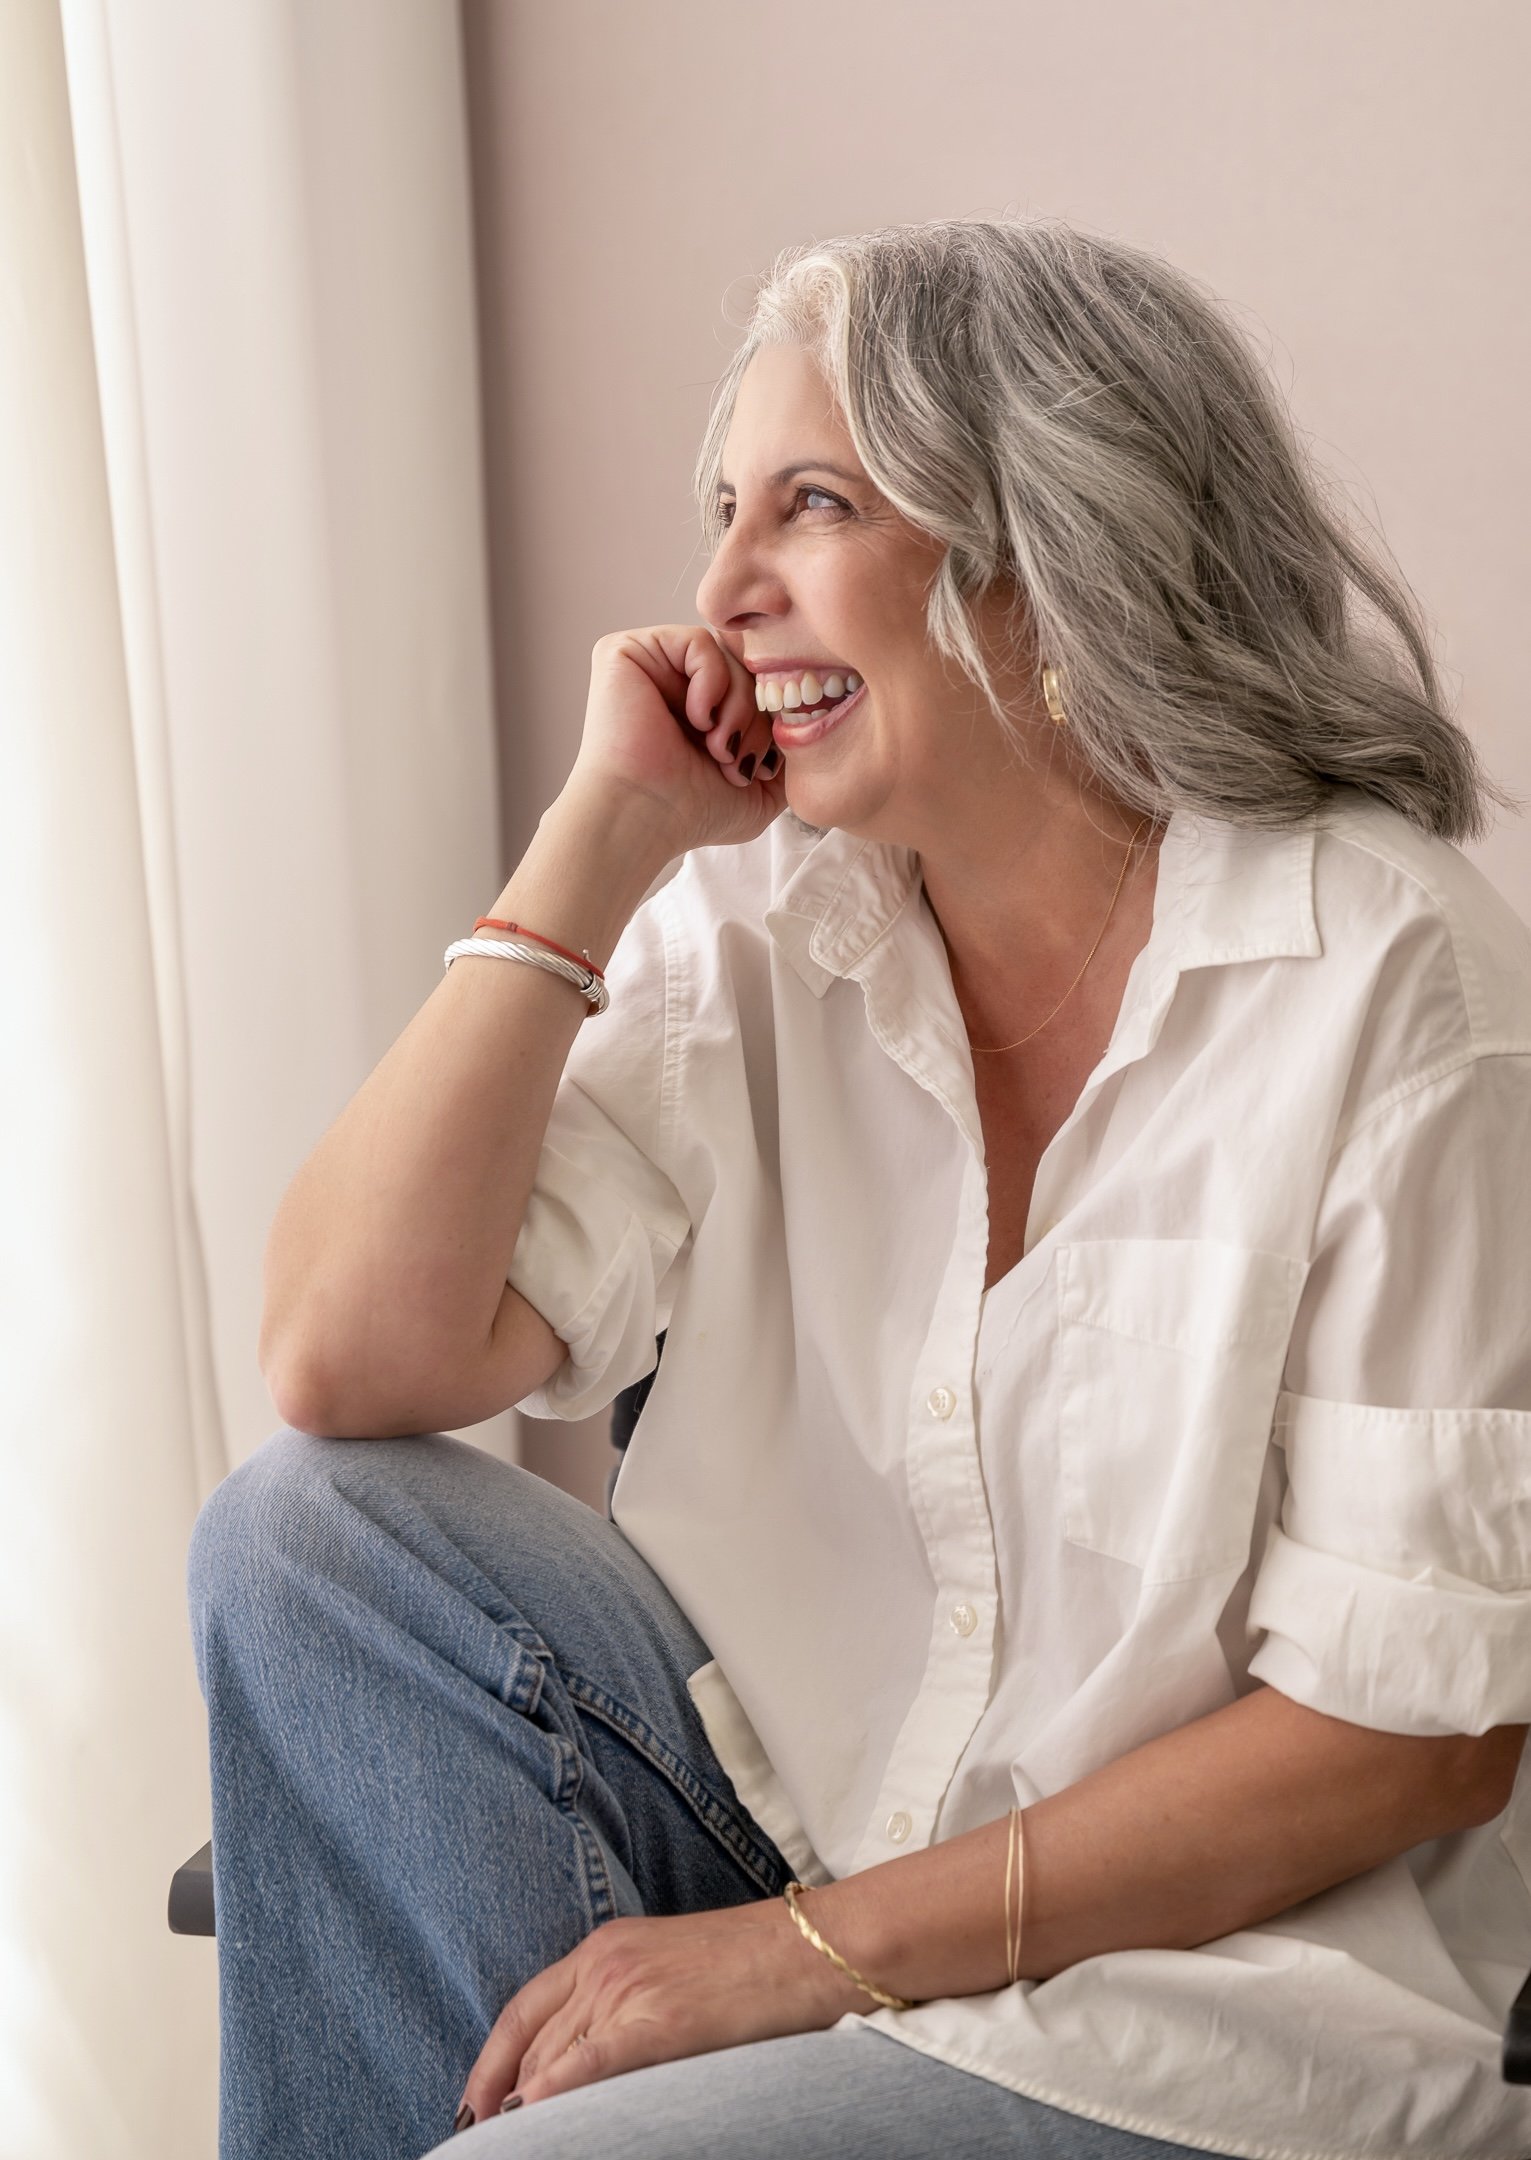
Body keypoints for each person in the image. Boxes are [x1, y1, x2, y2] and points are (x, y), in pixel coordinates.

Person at [188, 217, 1531, 2160]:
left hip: (1206, 2028)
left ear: (1056, 555)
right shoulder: (756, 920)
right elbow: (343, 1353)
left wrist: (799, 1959)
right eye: (725, 511)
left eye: (807, 506)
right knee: (308, 1535)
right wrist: (598, 839)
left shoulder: (1397, 993)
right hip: (797, 1848)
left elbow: (1410, 1741)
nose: (722, 588)